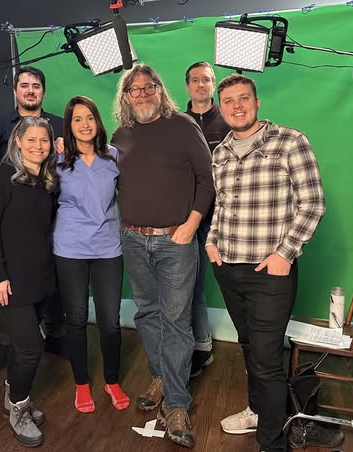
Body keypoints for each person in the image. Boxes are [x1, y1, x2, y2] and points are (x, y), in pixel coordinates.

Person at [205, 74, 326, 452]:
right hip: (228, 267)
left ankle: (272, 444)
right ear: (221, 108)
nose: (236, 106)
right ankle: (258, 410)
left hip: (269, 272)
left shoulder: (290, 141)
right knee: (248, 345)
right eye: (228, 101)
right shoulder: (220, 152)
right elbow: (221, 204)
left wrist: (285, 253)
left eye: (243, 98)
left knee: (267, 359)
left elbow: (313, 203)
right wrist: (211, 241)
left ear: (256, 102)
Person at [111, 64, 213, 449]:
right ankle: (160, 377)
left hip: (176, 240)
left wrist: (191, 223)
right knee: (147, 314)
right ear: (126, 97)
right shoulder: (121, 135)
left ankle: (177, 404)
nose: (142, 94)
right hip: (134, 239)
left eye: (148, 87)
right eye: (134, 89)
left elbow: (207, 179)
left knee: (176, 321)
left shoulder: (183, 126)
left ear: (159, 89)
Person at [0, 117, 58, 447]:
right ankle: (19, 408)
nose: (38, 146)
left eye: (44, 140)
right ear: (18, 142)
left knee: (18, 345)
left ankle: (13, 397)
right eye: (32, 140)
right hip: (7, 281)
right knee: (31, 346)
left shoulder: (46, 182)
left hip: (38, 278)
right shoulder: (0, 178)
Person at [0, 66, 66, 375]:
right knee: (14, 306)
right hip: (11, 222)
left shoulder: (59, 125)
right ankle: (7, 346)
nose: (30, 90)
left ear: (43, 91)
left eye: (36, 86)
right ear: (15, 91)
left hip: (48, 215)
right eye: (24, 85)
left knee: (48, 290)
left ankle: (52, 337)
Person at [53, 96, 129, 413]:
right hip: (69, 247)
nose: (84, 124)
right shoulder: (57, 159)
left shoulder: (113, 156)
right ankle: (82, 384)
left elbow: (131, 193)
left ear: (97, 122)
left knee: (110, 321)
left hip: (108, 247)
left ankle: (112, 380)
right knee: (76, 318)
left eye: (89, 118)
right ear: (69, 126)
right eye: (77, 119)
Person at [183, 61, 231, 378]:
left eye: (207, 79)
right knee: (192, 285)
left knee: (236, 284)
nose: (201, 85)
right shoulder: (177, 123)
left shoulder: (229, 119)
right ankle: (201, 346)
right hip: (190, 218)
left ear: (213, 84)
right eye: (195, 80)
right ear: (188, 86)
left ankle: (254, 347)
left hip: (227, 219)